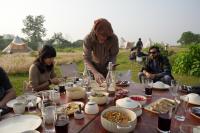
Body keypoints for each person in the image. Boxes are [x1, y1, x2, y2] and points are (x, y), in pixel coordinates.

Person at [83, 18, 119, 85]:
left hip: (107, 67)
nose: (105, 38)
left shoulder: (113, 38)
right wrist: (95, 73)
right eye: (102, 35)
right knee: (93, 89)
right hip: (92, 68)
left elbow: (113, 55)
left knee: (108, 87)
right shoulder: (88, 39)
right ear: (95, 32)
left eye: (107, 36)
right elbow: (86, 58)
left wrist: (111, 66)